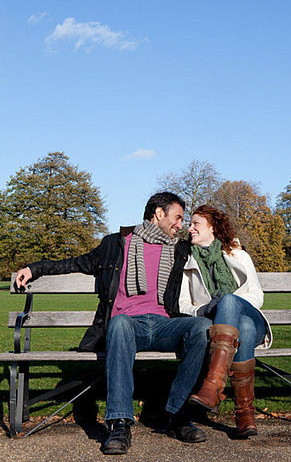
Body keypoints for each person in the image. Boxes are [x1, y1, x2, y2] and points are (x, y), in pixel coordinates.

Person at [15, 192, 212, 455]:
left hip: (164, 324)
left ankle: (176, 414)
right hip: (128, 325)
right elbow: (76, 263)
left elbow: (214, 255)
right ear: (158, 213)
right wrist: (34, 268)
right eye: (177, 217)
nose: (180, 224)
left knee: (200, 328)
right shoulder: (117, 244)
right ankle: (119, 423)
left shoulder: (179, 249)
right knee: (118, 324)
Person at [176, 205, 271, 438]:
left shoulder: (238, 254)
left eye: (195, 223)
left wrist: (228, 304)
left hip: (251, 317)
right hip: (222, 329)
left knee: (233, 306)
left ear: (213, 227)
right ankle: (244, 414)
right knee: (244, 330)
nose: (189, 228)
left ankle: (213, 385)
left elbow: (257, 296)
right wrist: (206, 309)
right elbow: (182, 305)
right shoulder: (187, 262)